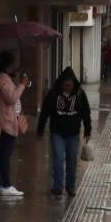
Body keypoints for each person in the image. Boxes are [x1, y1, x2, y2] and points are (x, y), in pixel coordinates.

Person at [37, 67, 92, 197]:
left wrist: (88, 129)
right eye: (66, 85)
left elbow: (86, 112)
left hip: (73, 133)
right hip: (57, 132)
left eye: (70, 85)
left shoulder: (79, 94)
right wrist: (40, 128)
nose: (68, 88)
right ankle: (58, 186)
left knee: (72, 161)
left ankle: (70, 187)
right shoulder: (53, 94)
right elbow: (45, 112)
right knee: (58, 158)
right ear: (62, 84)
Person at [0, 51, 30, 197]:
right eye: (14, 64)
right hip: (5, 123)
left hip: (1, 121)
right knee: (4, 154)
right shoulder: (2, 79)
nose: (16, 67)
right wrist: (22, 85)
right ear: (8, 64)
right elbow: (11, 98)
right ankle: (5, 185)